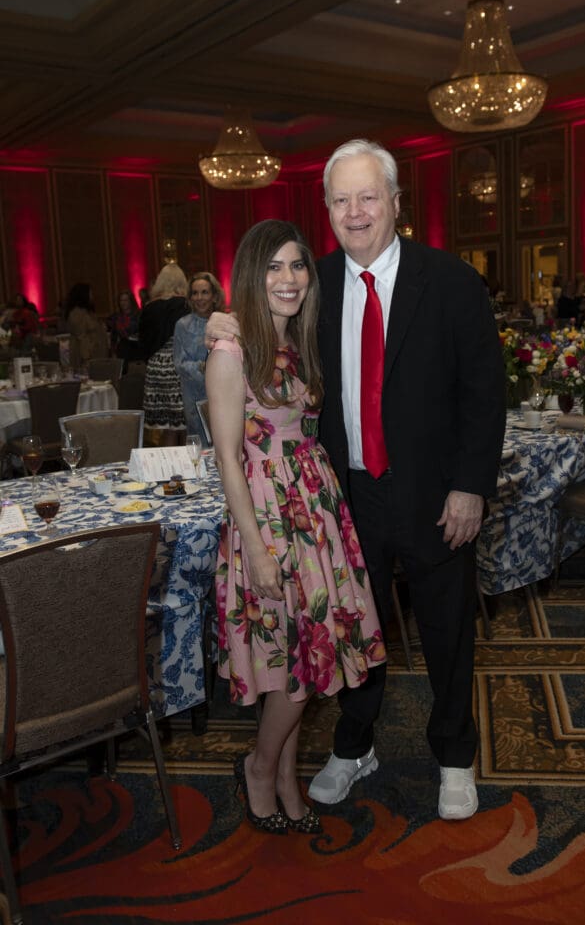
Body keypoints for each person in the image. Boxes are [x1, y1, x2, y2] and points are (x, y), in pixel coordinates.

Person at [207, 139, 506, 821]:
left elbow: (483, 394)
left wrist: (470, 485)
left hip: (437, 497)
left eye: (367, 196)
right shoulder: (316, 285)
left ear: (396, 202)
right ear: (326, 211)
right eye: (339, 200)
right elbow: (256, 331)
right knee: (351, 632)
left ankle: (454, 757)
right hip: (341, 500)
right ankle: (353, 744)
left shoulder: (452, 281)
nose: (354, 211)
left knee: (446, 631)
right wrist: (214, 321)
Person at [205, 219, 385, 835]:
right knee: (298, 661)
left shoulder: (300, 341)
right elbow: (228, 457)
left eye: (298, 266)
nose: (289, 279)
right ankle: (261, 767)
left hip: (314, 509)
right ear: (253, 275)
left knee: (310, 655)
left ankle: (281, 773)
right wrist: (255, 548)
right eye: (275, 267)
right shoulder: (232, 352)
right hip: (269, 520)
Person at [138, 264, 189, 445]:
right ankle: (185, 468)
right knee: (183, 424)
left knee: (167, 425)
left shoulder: (150, 307)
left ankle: (166, 468)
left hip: (155, 367)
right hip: (177, 366)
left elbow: (142, 341)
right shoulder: (184, 305)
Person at [173, 272, 225, 445]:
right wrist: (203, 367)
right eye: (195, 293)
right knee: (200, 447)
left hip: (224, 392)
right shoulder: (182, 325)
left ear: (214, 296)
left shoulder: (224, 322)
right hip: (193, 394)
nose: (200, 298)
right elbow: (179, 363)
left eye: (205, 292)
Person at [64, 283, 108, 368]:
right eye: (90, 293)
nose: (92, 296)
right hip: (87, 356)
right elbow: (81, 337)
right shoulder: (76, 314)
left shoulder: (87, 312)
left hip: (96, 354)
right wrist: (86, 358)